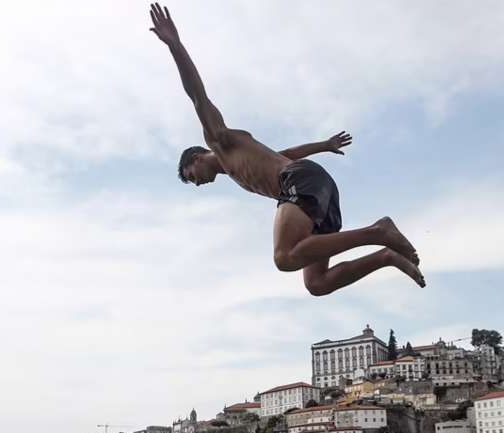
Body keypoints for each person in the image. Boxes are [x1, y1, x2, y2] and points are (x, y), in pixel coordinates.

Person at [148, 4, 425, 296]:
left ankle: (378, 232)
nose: (198, 183)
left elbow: (197, 96)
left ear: (195, 158)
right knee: (317, 283)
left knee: (284, 256)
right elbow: (289, 153)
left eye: (191, 176)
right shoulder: (240, 165)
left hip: (300, 181)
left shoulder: (219, 140)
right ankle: (385, 257)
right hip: (316, 188)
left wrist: (175, 46)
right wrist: (324, 145)